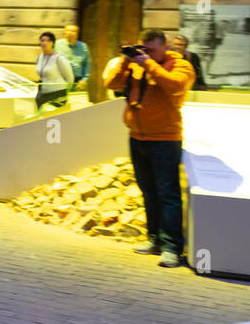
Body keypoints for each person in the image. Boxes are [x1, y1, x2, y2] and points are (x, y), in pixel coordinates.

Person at [106, 30, 195, 268]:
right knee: (149, 192)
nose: (147, 54)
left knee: (168, 195)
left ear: (165, 48)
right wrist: (127, 61)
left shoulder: (181, 65)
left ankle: (172, 249)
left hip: (165, 139)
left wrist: (150, 65)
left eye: (152, 50)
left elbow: (175, 86)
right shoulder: (136, 65)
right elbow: (112, 84)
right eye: (144, 49)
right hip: (137, 137)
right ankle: (154, 239)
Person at [35, 31, 74, 111]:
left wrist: (66, 91)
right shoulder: (39, 58)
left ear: (53, 43)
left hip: (57, 94)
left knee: (55, 120)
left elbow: (70, 78)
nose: (45, 43)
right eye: (42, 40)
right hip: (43, 93)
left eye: (48, 40)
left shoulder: (59, 59)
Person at [54, 23, 90, 90]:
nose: (70, 33)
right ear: (64, 32)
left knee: (75, 99)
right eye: (67, 30)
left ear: (77, 34)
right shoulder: (57, 44)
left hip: (77, 82)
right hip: (60, 80)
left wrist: (84, 79)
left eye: (73, 31)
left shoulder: (83, 47)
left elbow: (86, 64)